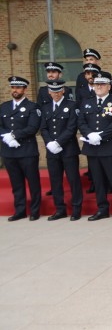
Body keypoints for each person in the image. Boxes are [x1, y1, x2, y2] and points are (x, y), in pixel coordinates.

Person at [78, 73, 112, 221]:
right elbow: (81, 122)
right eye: (96, 84)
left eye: (102, 84)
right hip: (92, 148)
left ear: (109, 86)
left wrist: (100, 136)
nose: (98, 87)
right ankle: (102, 209)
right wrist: (90, 135)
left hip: (110, 147)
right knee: (98, 181)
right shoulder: (86, 102)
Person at [40, 79, 83, 221]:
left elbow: (72, 128)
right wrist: (50, 143)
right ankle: (60, 209)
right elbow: (44, 128)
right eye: (53, 91)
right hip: (52, 150)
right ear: (49, 92)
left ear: (63, 90)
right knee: (55, 181)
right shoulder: (45, 107)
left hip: (68, 149)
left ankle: (77, 209)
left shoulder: (71, 105)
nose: (56, 94)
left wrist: (58, 142)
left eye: (58, 91)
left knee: (73, 180)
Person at [1, 76, 42, 221]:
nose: (15, 90)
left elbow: (32, 128)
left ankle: (35, 210)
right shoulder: (4, 107)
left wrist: (14, 135)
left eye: (18, 88)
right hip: (9, 151)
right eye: (13, 87)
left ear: (24, 89)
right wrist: (6, 137)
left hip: (27, 151)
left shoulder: (32, 107)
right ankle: (20, 210)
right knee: (16, 183)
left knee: (33, 182)